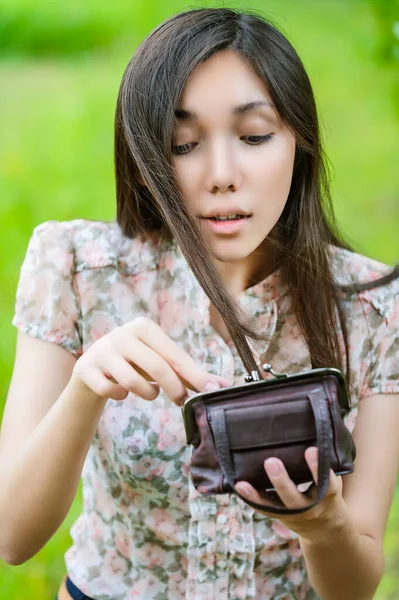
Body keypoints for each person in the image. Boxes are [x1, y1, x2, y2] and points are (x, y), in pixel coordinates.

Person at [0, 6, 398, 600]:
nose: (220, 174)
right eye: (183, 143)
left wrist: (324, 527)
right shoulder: (78, 267)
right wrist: (85, 388)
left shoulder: (372, 305)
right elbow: (13, 538)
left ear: (300, 142)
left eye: (255, 136)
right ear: (147, 160)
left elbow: (356, 585)